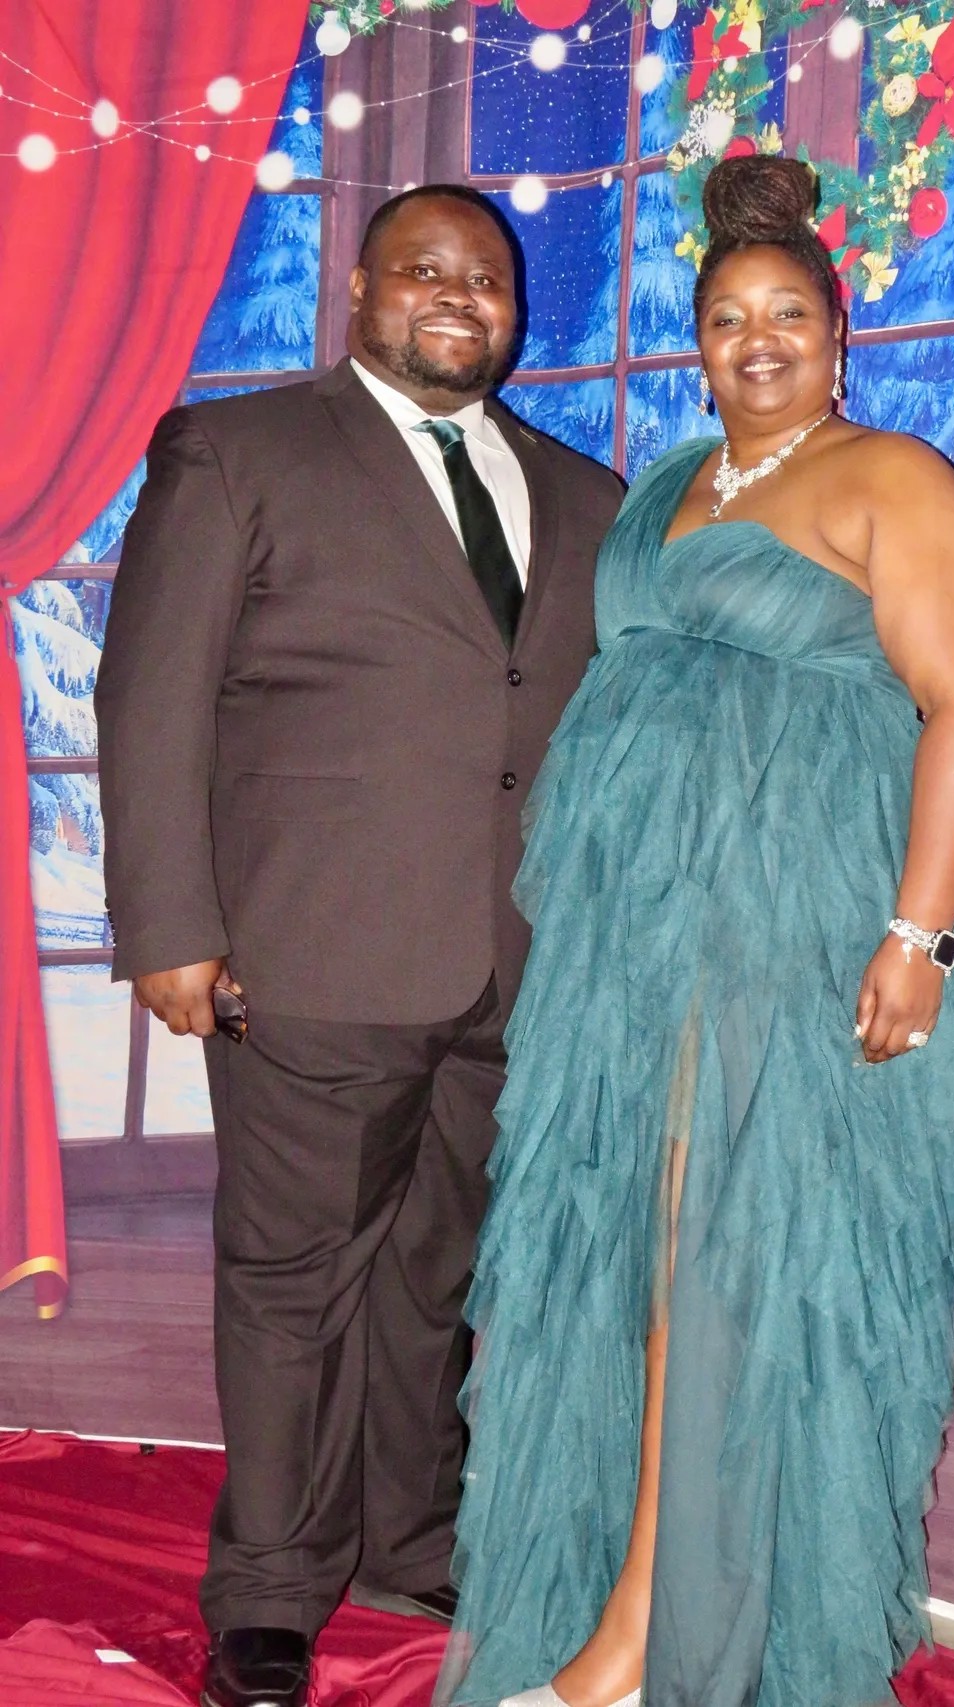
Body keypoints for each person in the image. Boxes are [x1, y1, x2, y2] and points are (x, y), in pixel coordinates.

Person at [435, 155, 954, 1707]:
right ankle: (626, 1607)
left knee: (727, 1266)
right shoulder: (677, 478)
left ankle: (650, 1636)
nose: (755, 340)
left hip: (800, 931)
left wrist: (922, 935)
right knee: (634, 1262)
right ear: (695, 341)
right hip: (643, 945)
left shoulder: (898, 478)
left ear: (838, 332)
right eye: (725, 318)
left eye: (786, 316)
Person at [95, 184, 623, 1707]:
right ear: (360, 288)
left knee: (439, 1277)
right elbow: (154, 701)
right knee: (292, 1281)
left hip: (515, 971)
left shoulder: (583, 496)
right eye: (427, 271)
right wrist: (170, 928)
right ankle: (267, 1589)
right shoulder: (239, 451)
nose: (460, 298)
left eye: (489, 279)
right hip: (306, 955)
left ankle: (412, 1533)